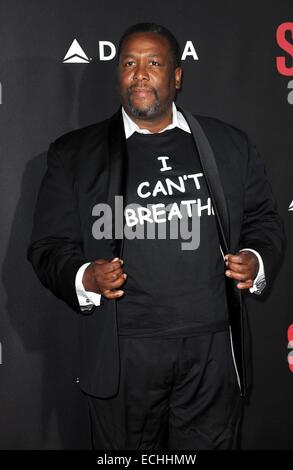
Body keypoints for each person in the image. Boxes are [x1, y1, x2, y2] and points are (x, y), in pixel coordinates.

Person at [27, 22, 285, 450]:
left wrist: (256, 257)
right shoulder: (74, 153)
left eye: (153, 63)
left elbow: (263, 218)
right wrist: (84, 277)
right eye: (129, 63)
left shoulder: (228, 144)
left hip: (213, 348)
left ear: (177, 76)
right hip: (124, 352)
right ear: (118, 75)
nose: (140, 74)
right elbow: (47, 247)